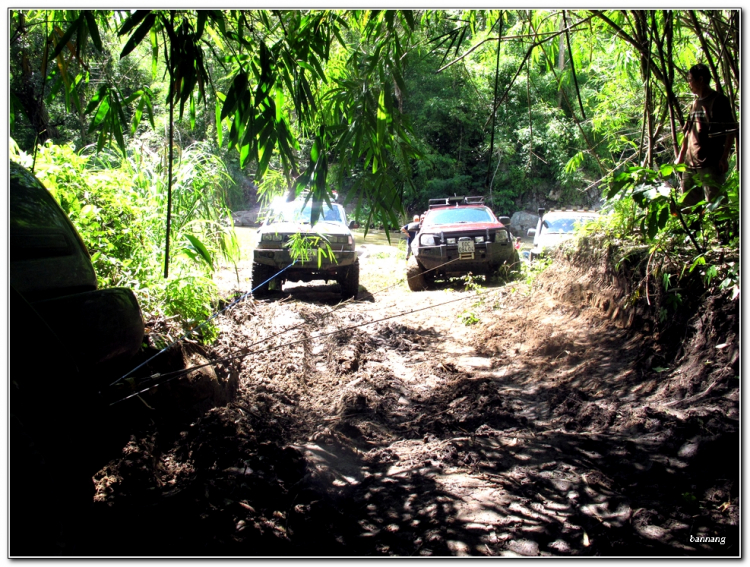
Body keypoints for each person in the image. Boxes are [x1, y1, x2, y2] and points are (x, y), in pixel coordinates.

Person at [675, 63, 737, 210]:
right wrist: (681, 155)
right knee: (688, 204)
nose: (689, 84)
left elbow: (730, 131)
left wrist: (724, 157)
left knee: (716, 204)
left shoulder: (718, 101)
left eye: (690, 80)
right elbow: (687, 131)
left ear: (701, 79)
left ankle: (722, 232)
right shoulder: (695, 103)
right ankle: (692, 231)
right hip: (691, 162)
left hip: (710, 161)